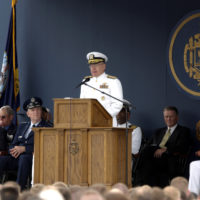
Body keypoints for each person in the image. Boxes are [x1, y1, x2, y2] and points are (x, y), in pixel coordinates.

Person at [0, 97, 52, 190]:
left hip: (34, 159)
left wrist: (25, 149)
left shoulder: (47, 127)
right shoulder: (22, 126)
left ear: (41, 111)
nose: (36, 112)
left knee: (24, 158)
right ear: (28, 114)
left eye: (38, 109)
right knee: (2, 160)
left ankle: (19, 190)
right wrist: (13, 150)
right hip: (16, 157)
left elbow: (47, 147)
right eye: (32, 110)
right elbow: (13, 144)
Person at [137, 106, 191, 187]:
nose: (168, 119)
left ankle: (141, 183)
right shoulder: (158, 131)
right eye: (166, 116)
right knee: (146, 151)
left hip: (170, 159)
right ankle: (144, 184)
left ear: (177, 117)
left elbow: (182, 147)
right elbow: (149, 145)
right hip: (154, 157)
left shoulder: (184, 131)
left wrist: (165, 150)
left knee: (147, 163)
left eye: (171, 116)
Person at [80, 51, 123, 127]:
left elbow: (117, 104)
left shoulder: (113, 81)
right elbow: (82, 103)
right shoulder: (86, 81)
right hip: (88, 124)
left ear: (104, 66)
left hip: (106, 122)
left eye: (96, 65)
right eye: (91, 65)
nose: (93, 68)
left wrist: (101, 116)